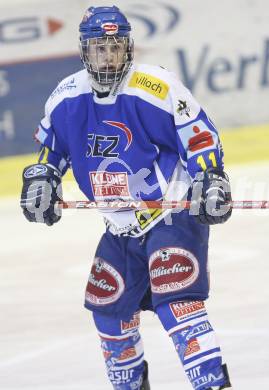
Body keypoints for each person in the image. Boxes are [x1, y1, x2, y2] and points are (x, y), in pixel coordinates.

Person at [20, 6, 233, 390]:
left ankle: (213, 385)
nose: (107, 55)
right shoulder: (66, 96)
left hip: (171, 214)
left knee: (177, 306)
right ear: (85, 50)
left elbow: (199, 136)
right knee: (108, 310)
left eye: (115, 46)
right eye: (98, 47)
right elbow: (55, 151)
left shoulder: (156, 86)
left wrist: (210, 177)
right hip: (118, 226)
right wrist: (45, 179)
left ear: (128, 47)